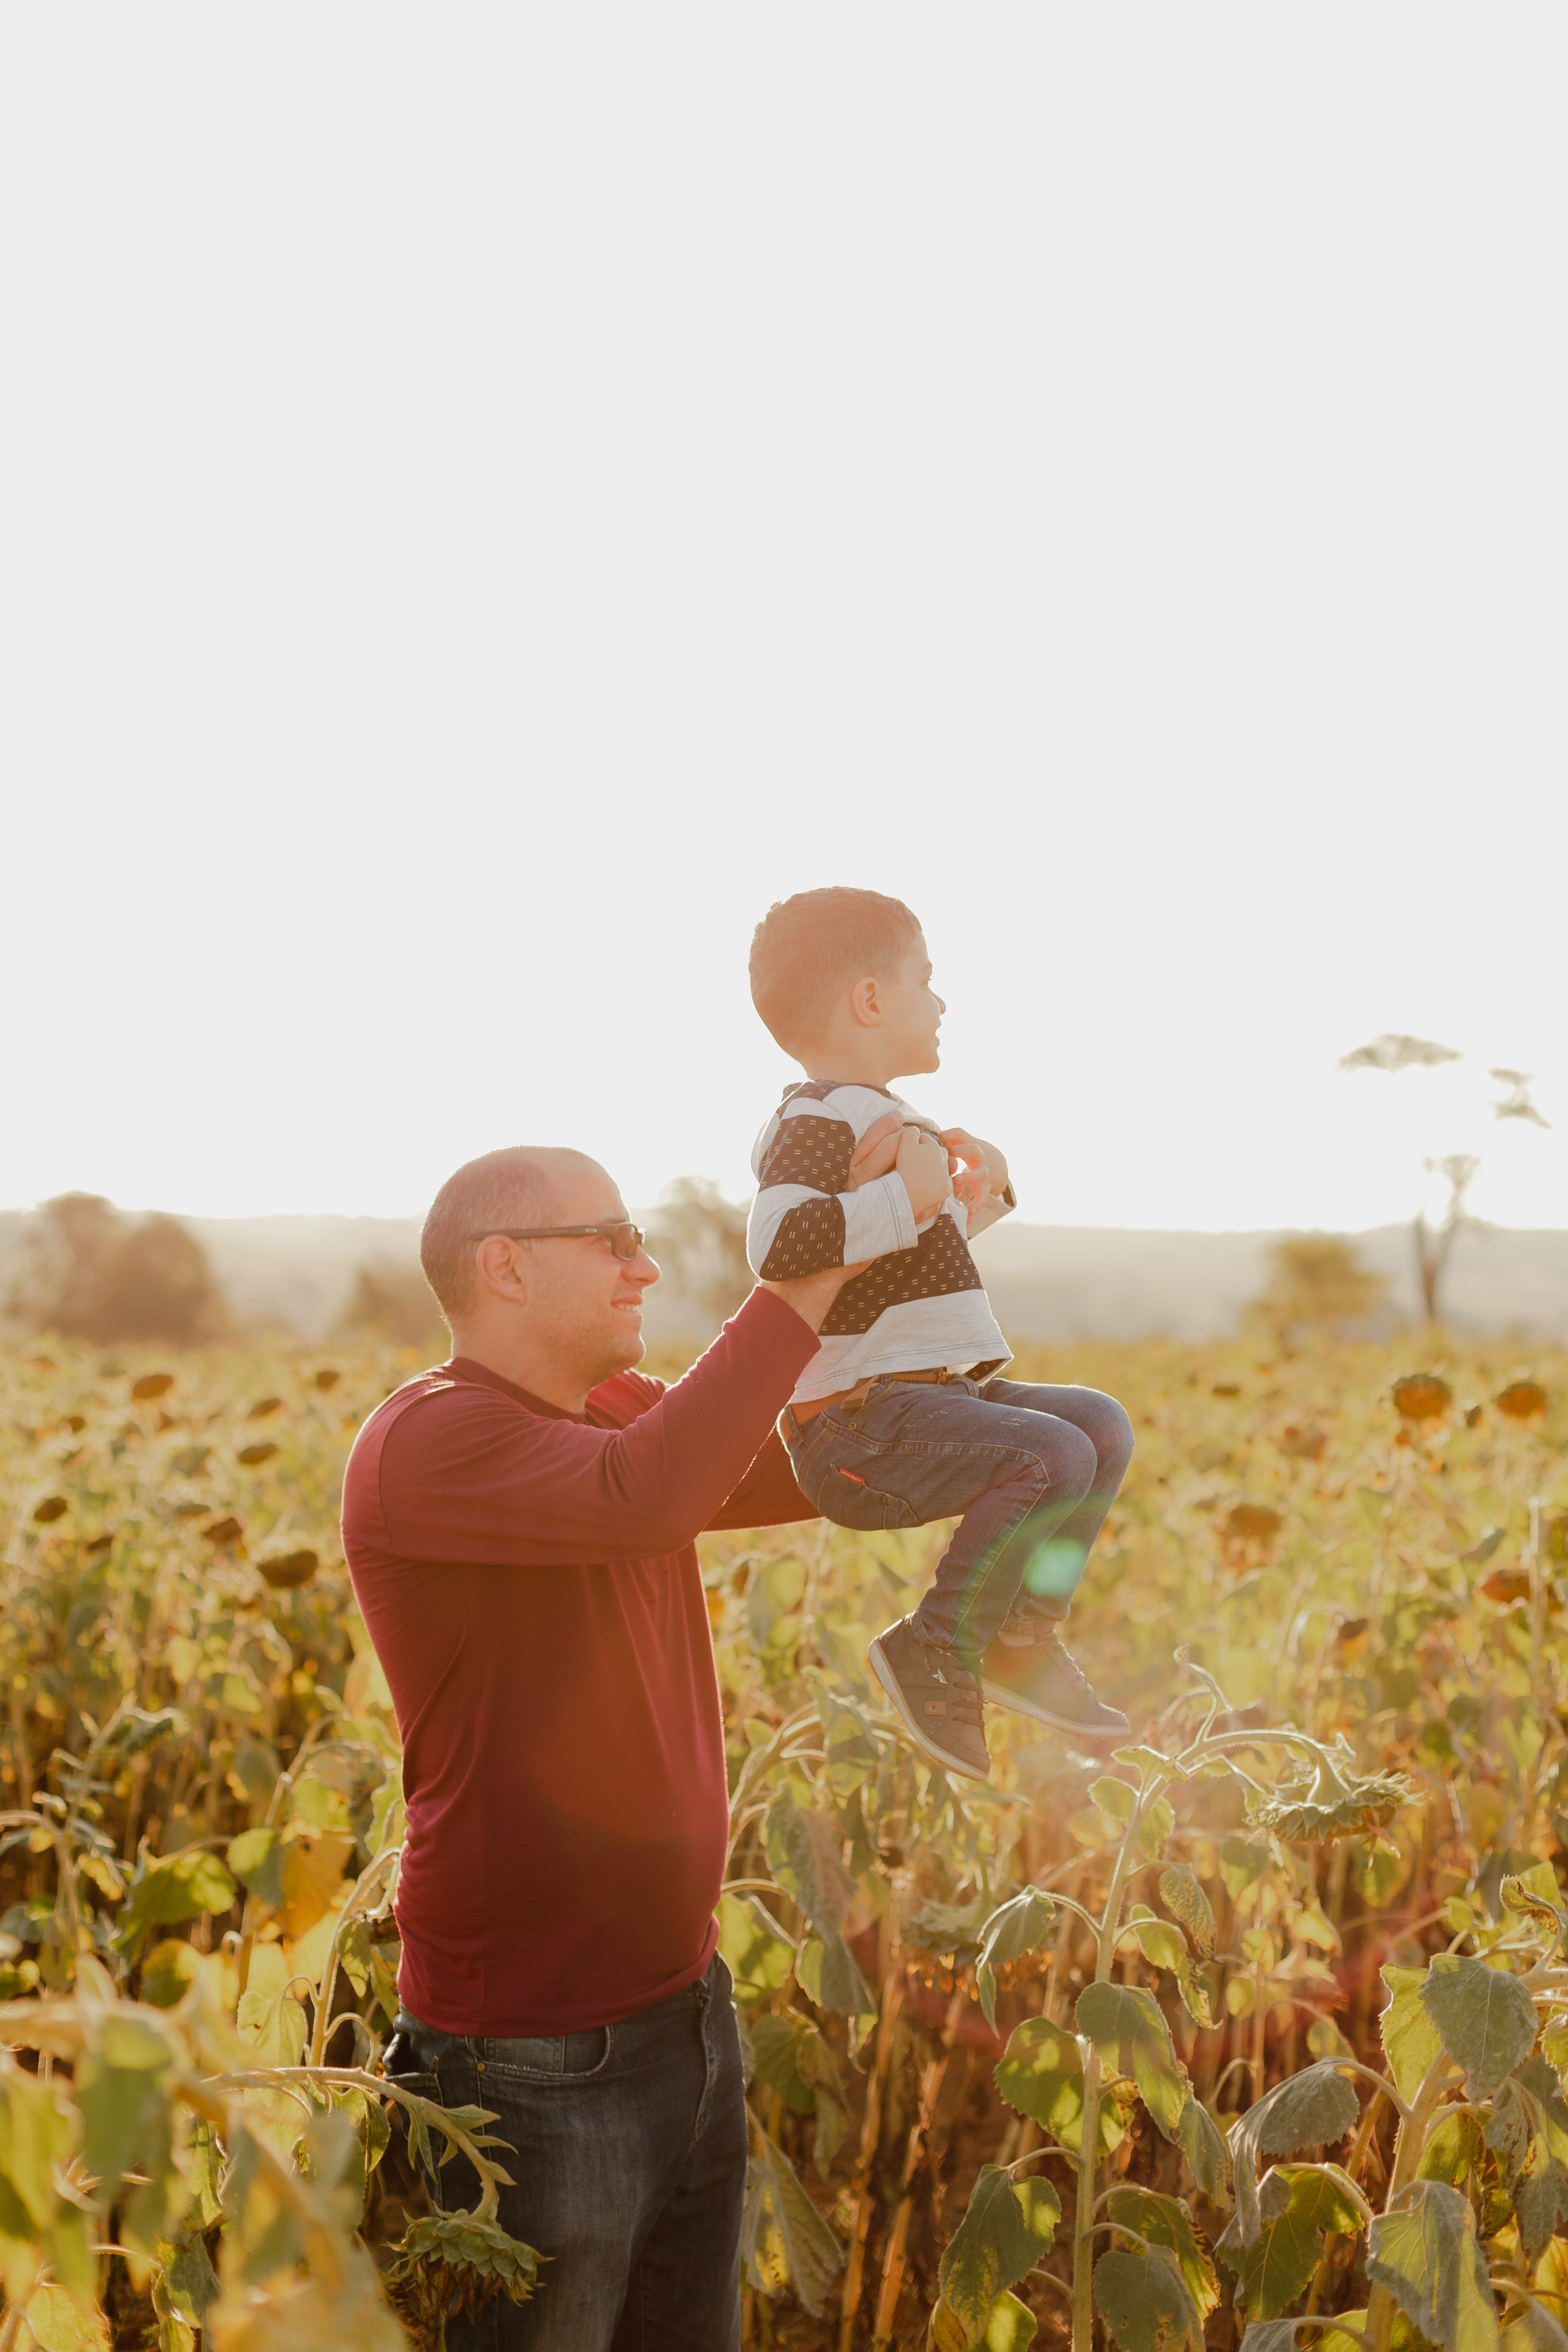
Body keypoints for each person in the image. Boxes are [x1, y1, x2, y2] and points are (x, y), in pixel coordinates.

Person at [341, 1143, 867, 2352]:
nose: (646, 1266)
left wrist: (917, 1254)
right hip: (530, 2063)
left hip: (686, 2012)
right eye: (612, 1240)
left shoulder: (610, 1416)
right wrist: (801, 1274)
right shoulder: (428, 1442)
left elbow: (824, 1465)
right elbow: (652, 1493)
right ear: (505, 1267)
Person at [747, 886, 1135, 1781]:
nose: (943, 1001)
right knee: (1049, 1459)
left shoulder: (879, 1115)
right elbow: (780, 1245)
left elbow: (901, 1261)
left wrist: (973, 1201)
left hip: (924, 1397)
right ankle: (936, 1645)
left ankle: (1020, 1639)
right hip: (856, 1424)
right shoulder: (816, 1115)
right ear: (870, 1001)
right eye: (927, 979)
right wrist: (907, 1197)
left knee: (1099, 1428)